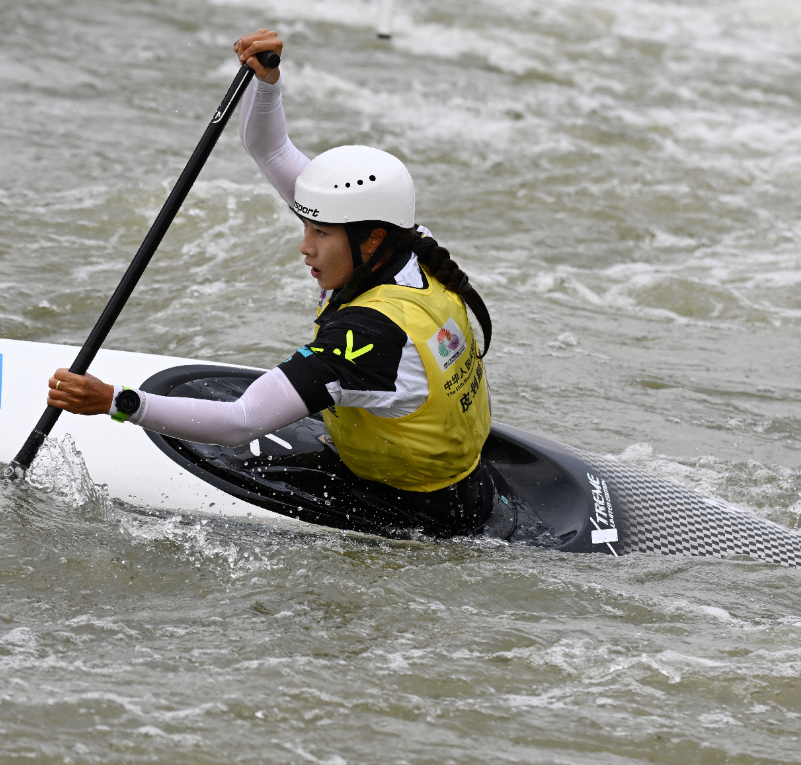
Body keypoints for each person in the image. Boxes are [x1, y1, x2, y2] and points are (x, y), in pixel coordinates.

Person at [46, 30, 503, 539]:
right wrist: (267, 83)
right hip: (458, 474)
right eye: (305, 225)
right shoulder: (410, 242)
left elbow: (241, 421)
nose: (304, 246)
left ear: (370, 240)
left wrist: (115, 402)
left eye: (319, 233)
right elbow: (270, 147)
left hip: (415, 508)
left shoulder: (370, 336)